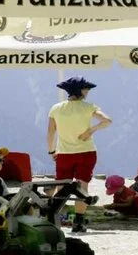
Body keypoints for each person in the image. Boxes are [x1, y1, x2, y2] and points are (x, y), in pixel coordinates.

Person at [48, 77, 112, 234]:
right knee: (82, 186)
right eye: (86, 89)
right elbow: (107, 121)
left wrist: (51, 151)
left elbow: (50, 133)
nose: (88, 91)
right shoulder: (89, 107)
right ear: (80, 90)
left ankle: (53, 219)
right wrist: (90, 131)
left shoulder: (56, 108)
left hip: (63, 153)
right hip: (86, 152)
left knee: (62, 186)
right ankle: (78, 222)